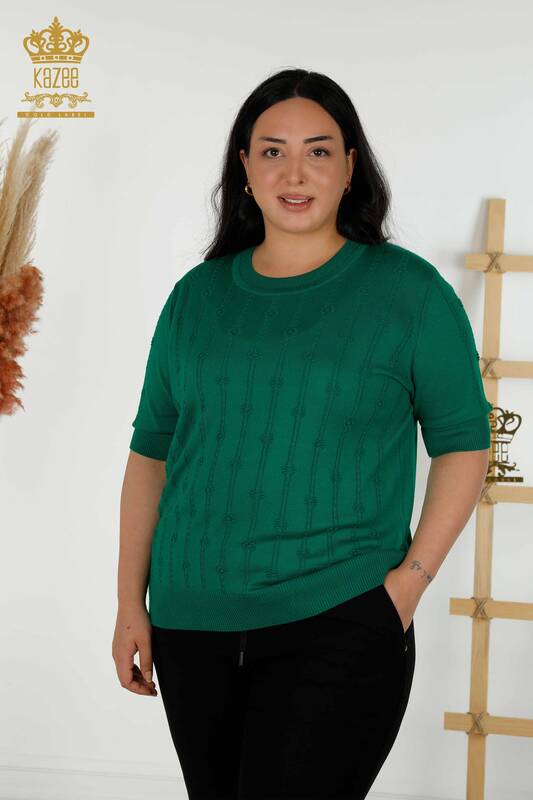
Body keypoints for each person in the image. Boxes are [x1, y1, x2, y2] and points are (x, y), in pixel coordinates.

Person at [112, 68, 492, 799]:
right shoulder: (195, 297)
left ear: (350, 167)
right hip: (191, 624)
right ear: (243, 169)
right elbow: (150, 454)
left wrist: (406, 587)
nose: (295, 173)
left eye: (318, 151)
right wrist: (132, 602)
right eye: (272, 151)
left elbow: (463, 444)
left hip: (340, 618)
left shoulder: (409, 294)